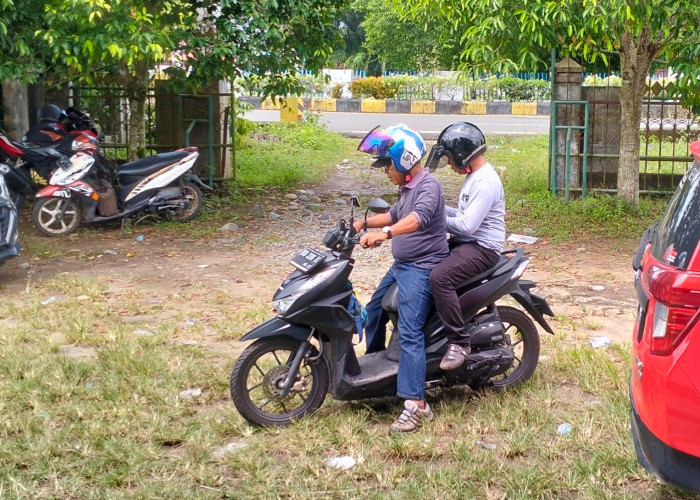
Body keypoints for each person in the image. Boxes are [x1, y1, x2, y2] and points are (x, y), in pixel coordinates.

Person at [354, 123, 449, 434]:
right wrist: (362, 223)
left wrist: (384, 234)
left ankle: (416, 404)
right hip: (401, 265)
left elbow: (415, 220)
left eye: (388, 166)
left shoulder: (429, 186)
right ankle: (375, 374)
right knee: (373, 310)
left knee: (409, 331)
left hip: (422, 268)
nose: (387, 173)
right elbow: (395, 214)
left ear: (404, 162)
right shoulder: (407, 188)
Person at [425, 122, 506, 371]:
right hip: (468, 243)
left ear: (461, 155)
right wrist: (433, 206)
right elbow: (461, 214)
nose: (449, 164)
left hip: (483, 248)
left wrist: (435, 218)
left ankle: (459, 342)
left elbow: (467, 225)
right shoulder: (474, 177)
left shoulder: (485, 181)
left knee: (440, 278)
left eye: (450, 159)